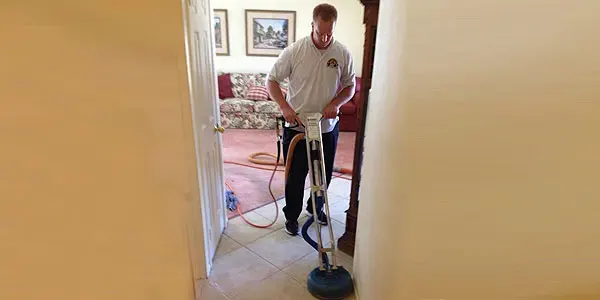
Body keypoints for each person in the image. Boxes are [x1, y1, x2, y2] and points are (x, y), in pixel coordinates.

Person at [266, 3, 356, 236]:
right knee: (295, 176)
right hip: (297, 127)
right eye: (320, 32)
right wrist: (284, 106)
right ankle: (292, 216)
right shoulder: (295, 51)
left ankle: (315, 208)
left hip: (326, 127)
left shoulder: (342, 53)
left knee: (322, 174)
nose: (325, 38)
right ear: (312, 26)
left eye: (330, 33)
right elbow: (272, 81)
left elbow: (349, 86)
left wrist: (335, 104)